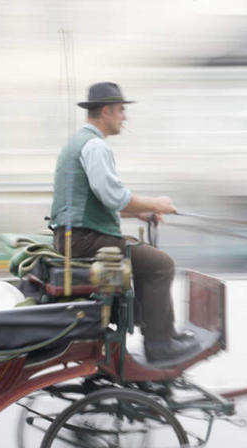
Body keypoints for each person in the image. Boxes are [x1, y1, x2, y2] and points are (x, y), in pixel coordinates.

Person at [49, 81, 199, 362]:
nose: (124, 117)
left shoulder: (79, 142)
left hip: (77, 237)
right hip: (87, 240)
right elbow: (115, 197)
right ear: (105, 111)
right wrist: (158, 203)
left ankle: (161, 331)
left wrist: (139, 214)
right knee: (160, 264)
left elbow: (96, 202)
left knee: (148, 260)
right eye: (121, 110)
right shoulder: (95, 146)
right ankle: (159, 344)